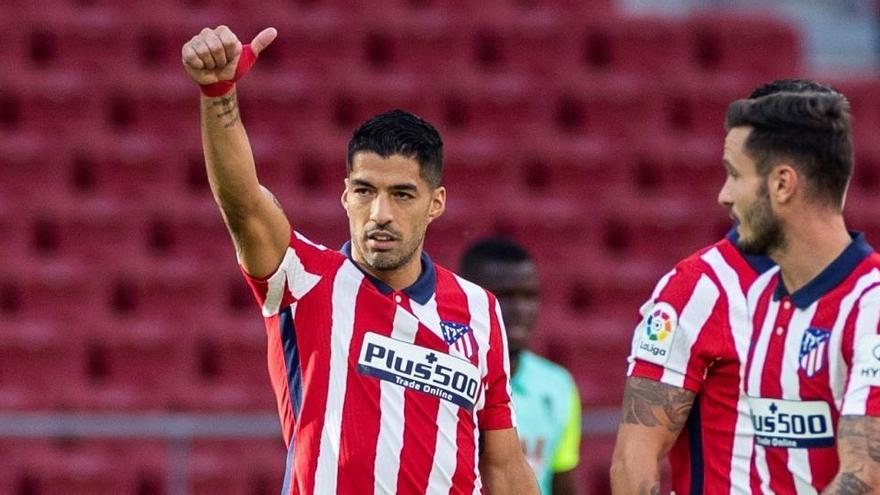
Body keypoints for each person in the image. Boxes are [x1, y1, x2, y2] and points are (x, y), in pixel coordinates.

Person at [181, 26, 539, 494]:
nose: (380, 214)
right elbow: (243, 203)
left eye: (402, 194)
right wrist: (218, 92)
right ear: (345, 195)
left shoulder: (479, 311)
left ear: (436, 203)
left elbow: (504, 467)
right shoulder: (305, 281)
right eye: (365, 191)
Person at [610, 80, 837, 495]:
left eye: (739, 173)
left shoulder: (864, 295)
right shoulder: (699, 289)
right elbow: (634, 459)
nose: (724, 195)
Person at [724, 87, 880, 492]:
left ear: (782, 184)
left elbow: (865, 477)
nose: (724, 195)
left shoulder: (872, 306)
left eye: (735, 174)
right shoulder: (760, 300)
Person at [460, 238, 581, 495]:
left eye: (529, 296)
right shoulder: (444, 378)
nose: (520, 309)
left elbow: (562, 483)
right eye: (503, 296)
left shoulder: (558, 385)